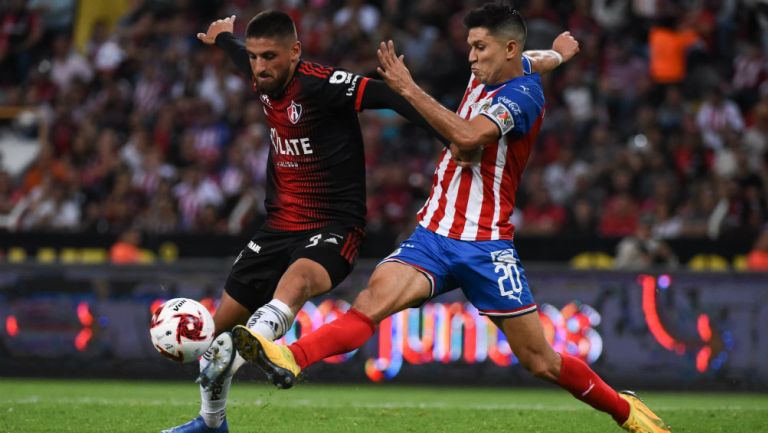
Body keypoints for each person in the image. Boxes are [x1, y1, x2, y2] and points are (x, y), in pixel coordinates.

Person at [232, 4, 671, 433]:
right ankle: (289, 356)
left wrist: (407, 88)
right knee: (369, 304)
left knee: (540, 361)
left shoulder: (521, 96)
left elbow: (467, 136)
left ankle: (623, 410)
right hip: (433, 235)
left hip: (485, 244)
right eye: (470, 46)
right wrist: (560, 51)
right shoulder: (510, 66)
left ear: (508, 49)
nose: (471, 57)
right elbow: (537, 59)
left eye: (480, 47)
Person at [162, 10, 566, 433]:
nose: (260, 66)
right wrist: (225, 38)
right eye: (255, 58)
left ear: (294, 53)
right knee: (216, 332)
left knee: (297, 281)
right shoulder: (260, 73)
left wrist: (450, 137)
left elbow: (390, 95)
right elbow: (239, 53)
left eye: (269, 57)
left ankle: (263, 343)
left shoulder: (321, 84)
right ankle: (211, 422)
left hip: (333, 225)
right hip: (279, 224)